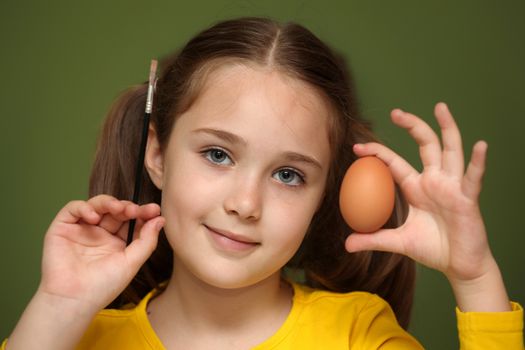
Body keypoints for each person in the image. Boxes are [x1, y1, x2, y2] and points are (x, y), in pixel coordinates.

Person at [3, 17, 523, 349]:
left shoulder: (355, 336)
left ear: (325, 196)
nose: (246, 203)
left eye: (289, 175)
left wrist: (475, 280)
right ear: (157, 155)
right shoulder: (74, 337)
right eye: (217, 154)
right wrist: (60, 308)